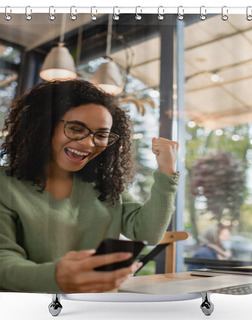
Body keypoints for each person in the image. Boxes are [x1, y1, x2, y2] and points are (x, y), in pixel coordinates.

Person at [0, 80, 179, 293]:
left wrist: (167, 172)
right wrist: (57, 276)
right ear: (44, 125)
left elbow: (147, 233)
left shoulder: (103, 186)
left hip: (100, 306)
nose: (88, 143)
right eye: (76, 129)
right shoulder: (6, 185)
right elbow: (4, 262)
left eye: (101, 135)